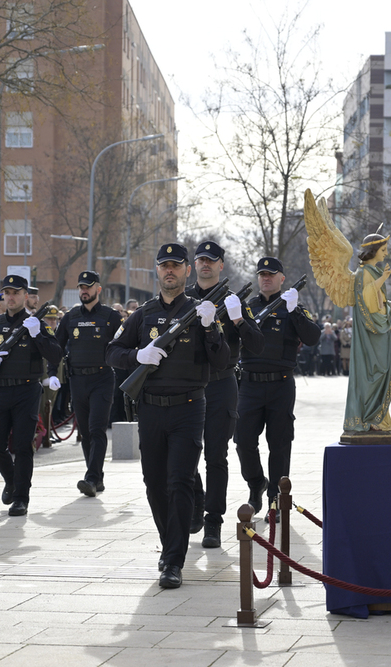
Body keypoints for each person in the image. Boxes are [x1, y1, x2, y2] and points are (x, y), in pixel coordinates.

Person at [106, 242, 229, 588]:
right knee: (154, 484)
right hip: (150, 409)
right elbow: (113, 352)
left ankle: (173, 559)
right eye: (164, 266)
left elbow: (221, 363)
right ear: (157, 271)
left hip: (189, 407)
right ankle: (168, 544)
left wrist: (211, 328)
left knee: (179, 481)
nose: (170, 271)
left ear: (187, 271)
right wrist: (138, 356)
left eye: (177, 265)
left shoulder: (202, 311)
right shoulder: (143, 314)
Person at [185, 240, 263, 548]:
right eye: (201, 259)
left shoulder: (233, 301)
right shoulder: (182, 298)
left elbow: (257, 345)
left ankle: (212, 521)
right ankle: (195, 500)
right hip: (188, 384)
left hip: (221, 383)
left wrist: (239, 319)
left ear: (221, 265)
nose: (206, 264)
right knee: (186, 452)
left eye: (211, 260)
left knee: (216, 456)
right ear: (194, 265)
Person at [0, 274, 62, 517]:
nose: (11, 297)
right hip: (1, 389)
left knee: (22, 446)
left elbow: (55, 355)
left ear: (25, 296)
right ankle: (11, 481)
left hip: (27, 390)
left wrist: (37, 335)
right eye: (7, 293)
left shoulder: (36, 323)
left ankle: (21, 498)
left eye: (16, 293)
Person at [235, 256, 321, 515]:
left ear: (281, 279)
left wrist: (295, 311)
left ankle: (276, 496)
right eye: (262, 274)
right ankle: (256, 483)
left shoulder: (292, 306)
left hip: (280, 385)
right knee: (243, 440)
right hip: (249, 384)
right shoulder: (248, 308)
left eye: (271, 274)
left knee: (280, 443)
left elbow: (312, 337)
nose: (266, 278)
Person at [52, 270, 123, 497]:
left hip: (102, 378)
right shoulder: (70, 317)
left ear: (98, 289)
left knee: (97, 428)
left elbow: (124, 345)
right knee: (84, 432)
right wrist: (51, 372)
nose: (84, 291)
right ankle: (96, 477)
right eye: (81, 287)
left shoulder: (111, 317)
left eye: (88, 287)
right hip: (77, 380)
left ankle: (91, 478)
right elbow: (56, 348)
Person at [342, 234, 391, 431]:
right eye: (383, 250)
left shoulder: (373, 271)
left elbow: (379, 300)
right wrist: (383, 278)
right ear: (374, 251)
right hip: (371, 331)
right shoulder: (362, 273)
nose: (386, 253)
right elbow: (365, 298)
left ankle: (379, 417)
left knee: (383, 371)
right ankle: (369, 417)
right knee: (376, 371)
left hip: (380, 328)